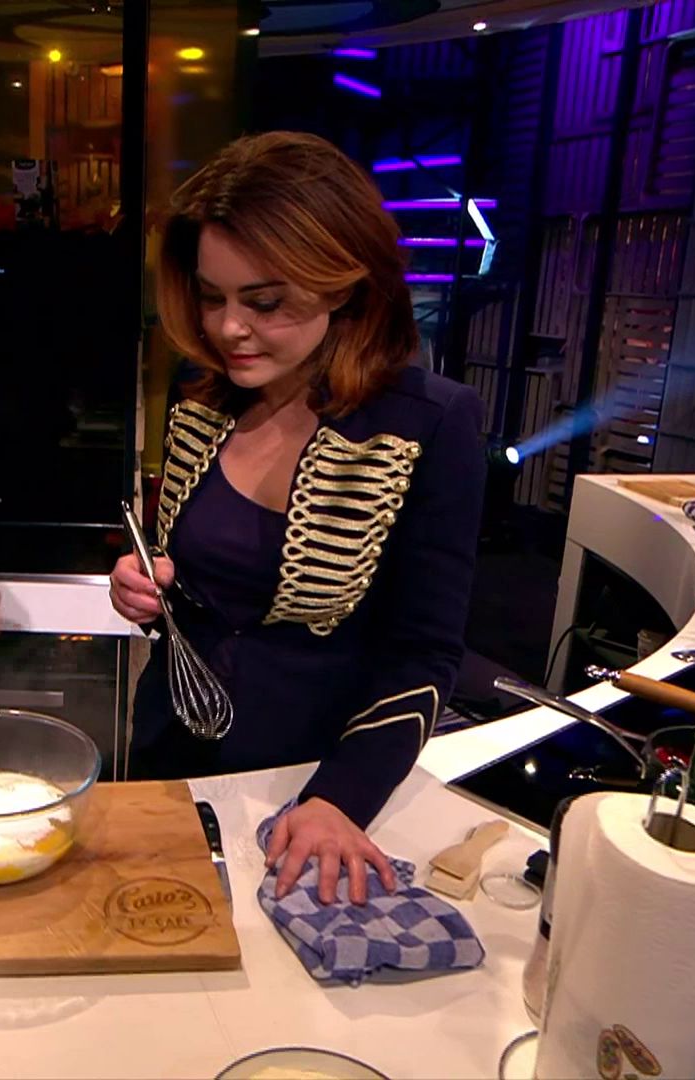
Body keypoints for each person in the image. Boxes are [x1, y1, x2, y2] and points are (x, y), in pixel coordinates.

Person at [108, 132, 486, 906]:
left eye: (265, 302)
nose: (228, 329)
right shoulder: (202, 392)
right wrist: (146, 590)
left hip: (315, 785)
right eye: (211, 297)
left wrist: (341, 796)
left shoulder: (430, 423)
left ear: (343, 285)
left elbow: (424, 653)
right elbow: (191, 586)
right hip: (169, 753)